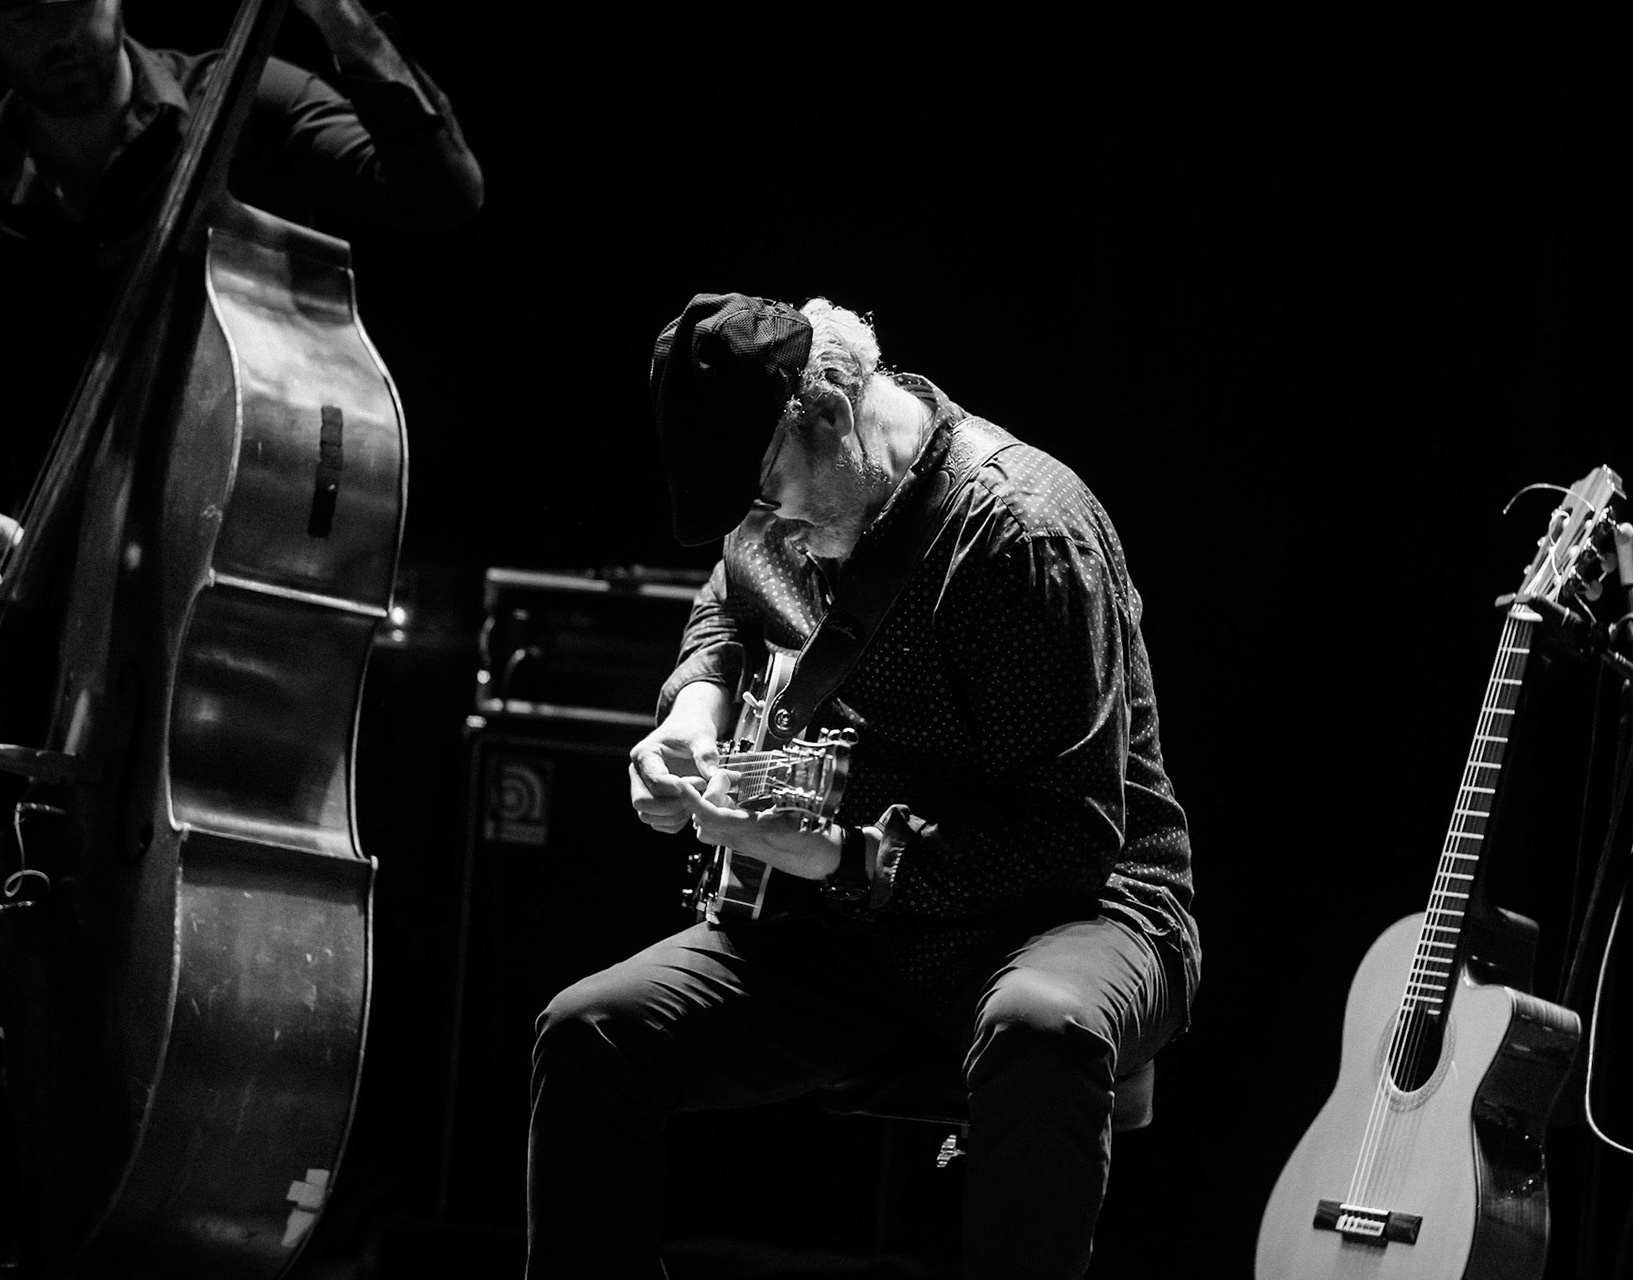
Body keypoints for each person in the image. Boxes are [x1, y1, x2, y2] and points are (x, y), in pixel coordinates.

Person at [526, 292, 1200, 1278]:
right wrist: (694, 709)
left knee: (1040, 1030)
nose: (769, 527)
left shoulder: (1020, 537)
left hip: (1071, 912)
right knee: (587, 1033)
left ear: (826, 410)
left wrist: (844, 852)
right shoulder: (789, 511)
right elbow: (731, 599)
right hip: (856, 925)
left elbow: (1065, 842)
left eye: (769, 491)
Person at [0, 0, 484, 534]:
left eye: (71, 4)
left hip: (239, 544)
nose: (59, 36)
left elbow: (442, 193)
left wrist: (342, 21)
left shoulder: (248, 102)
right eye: (25, 13)